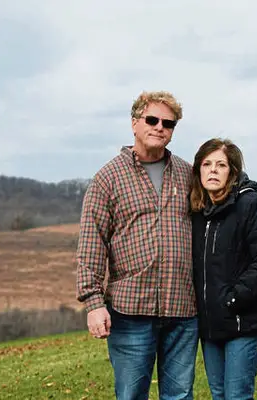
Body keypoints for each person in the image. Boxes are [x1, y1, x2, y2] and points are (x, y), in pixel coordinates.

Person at [76, 91, 198, 400]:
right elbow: (92, 244)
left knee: (180, 395)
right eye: (152, 120)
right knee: (131, 395)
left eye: (168, 123)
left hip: (182, 310)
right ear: (134, 123)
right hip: (130, 313)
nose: (160, 127)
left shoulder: (188, 175)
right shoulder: (107, 179)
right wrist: (93, 303)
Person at [190, 138, 257, 400]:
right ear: (198, 171)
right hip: (210, 325)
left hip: (244, 320)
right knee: (219, 394)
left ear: (232, 171)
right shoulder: (197, 211)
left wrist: (233, 298)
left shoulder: (251, 204)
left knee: (237, 395)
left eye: (221, 165)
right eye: (207, 164)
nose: (213, 170)